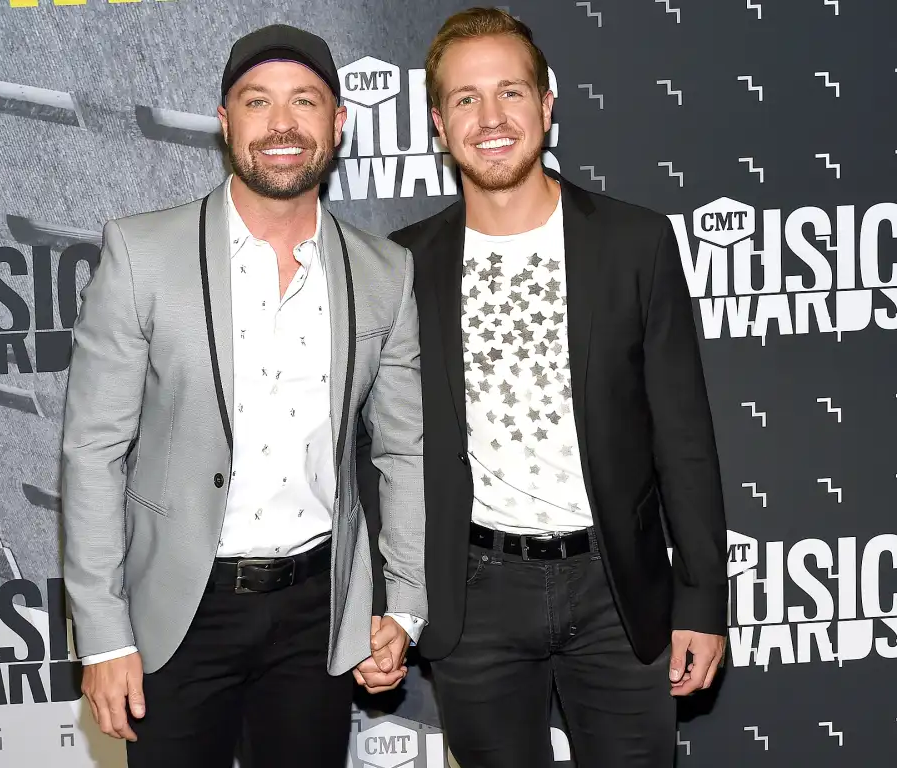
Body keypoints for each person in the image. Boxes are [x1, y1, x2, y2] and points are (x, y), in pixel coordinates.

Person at [357, 7, 728, 766]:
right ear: (438, 121)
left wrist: (702, 601)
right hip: (474, 593)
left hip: (616, 591)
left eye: (511, 93)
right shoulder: (402, 265)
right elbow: (376, 450)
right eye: (466, 99)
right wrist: (379, 602)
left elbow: (683, 439)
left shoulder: (635, 242)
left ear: (547, 105)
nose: (490, 118)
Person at [61, 23, 426, 768]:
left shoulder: (386, 273)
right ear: (226, 123)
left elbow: (404, 449)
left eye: (305, 101)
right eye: (257, 102)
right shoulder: (142, 254)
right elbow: (93, 452)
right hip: (178, 610)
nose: (282, 124)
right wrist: (103, 634)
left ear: (338, 123)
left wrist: (407, 604)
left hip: (315, 614)